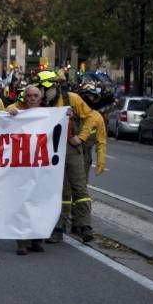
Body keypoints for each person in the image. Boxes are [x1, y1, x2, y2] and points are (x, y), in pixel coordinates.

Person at [28, 70, 99, 244]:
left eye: (48, 88)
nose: (45, 92)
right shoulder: (39, 103)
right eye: (42, 89)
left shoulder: (71, 99)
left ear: (56, 86)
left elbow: (91, 117)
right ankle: (57, 227)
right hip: (48, 150)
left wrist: (81, 137)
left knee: (79, 187)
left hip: (70, 149)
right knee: (55, 189)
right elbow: (18, 110)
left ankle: (85, 226)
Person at [6, 85, 47, 255]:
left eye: (35, 95)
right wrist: (11, 111)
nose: (31, 98)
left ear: (40, 98)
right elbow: (7, 111)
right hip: (21, 166)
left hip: (40, 166)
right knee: (22, 203)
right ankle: (22, 242)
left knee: (39, 202)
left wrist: (67, 116)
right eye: (29, 95)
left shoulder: (48, 114)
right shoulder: (17, 111)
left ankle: (37, 239)